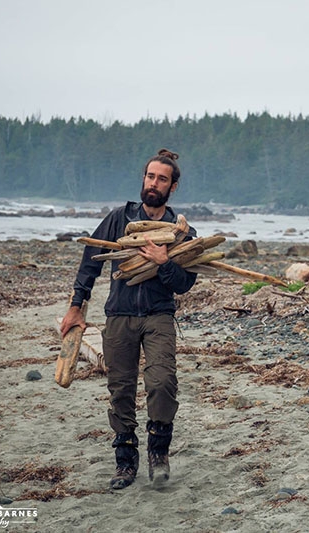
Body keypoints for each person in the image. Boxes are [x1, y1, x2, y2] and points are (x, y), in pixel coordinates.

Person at [59, 148, 197, 490]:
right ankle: (125, 460)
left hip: (158, 316)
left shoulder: (182, 233)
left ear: (173, 187)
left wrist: (164, 262)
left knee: (162, 383)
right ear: (143, 179)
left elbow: (185, 284)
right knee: (120, 390)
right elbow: (92, 259)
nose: (154, 183)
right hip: (119, 315)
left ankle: (158, 454)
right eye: (150, 176)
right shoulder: (120, 219)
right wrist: (77, 305)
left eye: (162, 179)